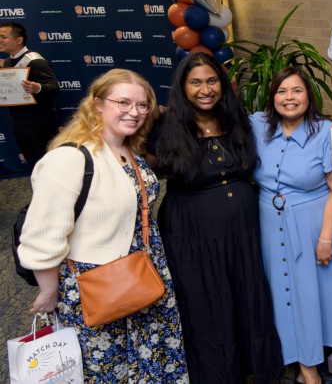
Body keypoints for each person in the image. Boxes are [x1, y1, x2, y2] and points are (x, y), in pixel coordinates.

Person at [17, 68, 189, 381]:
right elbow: (42, 235)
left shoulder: (127, 149)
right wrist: (49, 291)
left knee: (150, 363)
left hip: (142, 275)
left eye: (142, 105)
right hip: (96, 284)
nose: (134, 112)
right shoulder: (69, 159)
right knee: (109, 370)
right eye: (123, 102)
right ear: (97, 104)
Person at [147, 52, 283, 383]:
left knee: (245, 293)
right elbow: (147, 169)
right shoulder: (165, 127)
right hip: (192, 232)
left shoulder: (237, 120)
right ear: (183, 87)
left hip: (242, 229)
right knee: (206, 300)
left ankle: (253, 365)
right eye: (196, 82)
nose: (205, 89)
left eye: (211, 81)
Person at [251, 67, 332, 384]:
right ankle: (300, 361)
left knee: (309, 293)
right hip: (270, 223)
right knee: (282, 291)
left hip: (313, 223)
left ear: (308, 96)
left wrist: (325, 239)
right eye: (282, 91)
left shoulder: (325, 131)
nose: (289, 98)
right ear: (272, 97)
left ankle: (310, 364)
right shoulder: (257, 125)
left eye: (297, 90)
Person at [0, 21, 59, 167]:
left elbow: (54, 87)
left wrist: (38, 88)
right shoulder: (8, 62)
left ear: (19, 40)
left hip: (40, 125)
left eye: (3, 37)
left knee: (48, 164)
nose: (0, 40)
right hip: (19, 123)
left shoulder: (35, 61)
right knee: (33, 164)